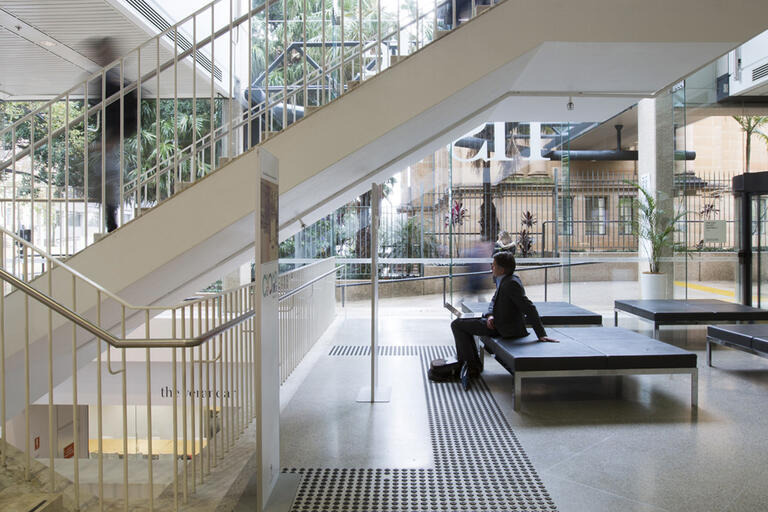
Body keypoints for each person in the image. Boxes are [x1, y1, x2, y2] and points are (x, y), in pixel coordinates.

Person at [450, 251, 558, 390]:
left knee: (457, 325)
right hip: (497, 321)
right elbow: (494, 301)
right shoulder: (504, 280)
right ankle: (472, 364)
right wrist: (490, 315)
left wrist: (541, 334)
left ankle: (471, 366)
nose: (491, 268)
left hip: (504, 328)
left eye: (494, 265)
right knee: (462, 323)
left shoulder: (511, 284)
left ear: (502, 269)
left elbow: (529, 308)